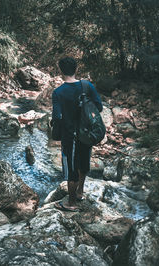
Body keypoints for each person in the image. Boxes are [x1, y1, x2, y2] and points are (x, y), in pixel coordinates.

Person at [52, 57, 103, 212]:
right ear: (76, 69)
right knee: (83, 162)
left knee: (71, 168)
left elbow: (57, 117)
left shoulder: (58, 92)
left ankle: (71, 203)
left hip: (70, 136)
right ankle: (80, 192)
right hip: (86, 133)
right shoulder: (87, 86)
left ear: (61, 71)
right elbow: (98, 107)